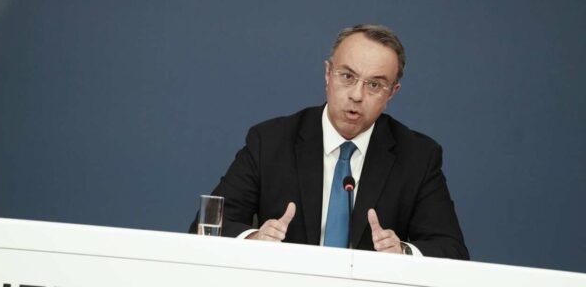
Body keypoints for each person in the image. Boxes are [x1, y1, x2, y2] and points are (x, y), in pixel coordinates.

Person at [189, 24, 469, 259]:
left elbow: (452, 250)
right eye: (347, 76)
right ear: (327, 74)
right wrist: (254, 239)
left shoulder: (418, 157)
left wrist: (403, 252)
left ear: (392, 93)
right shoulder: (271, 141)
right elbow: (207, 228)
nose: (356, 95)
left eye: (374, 85)